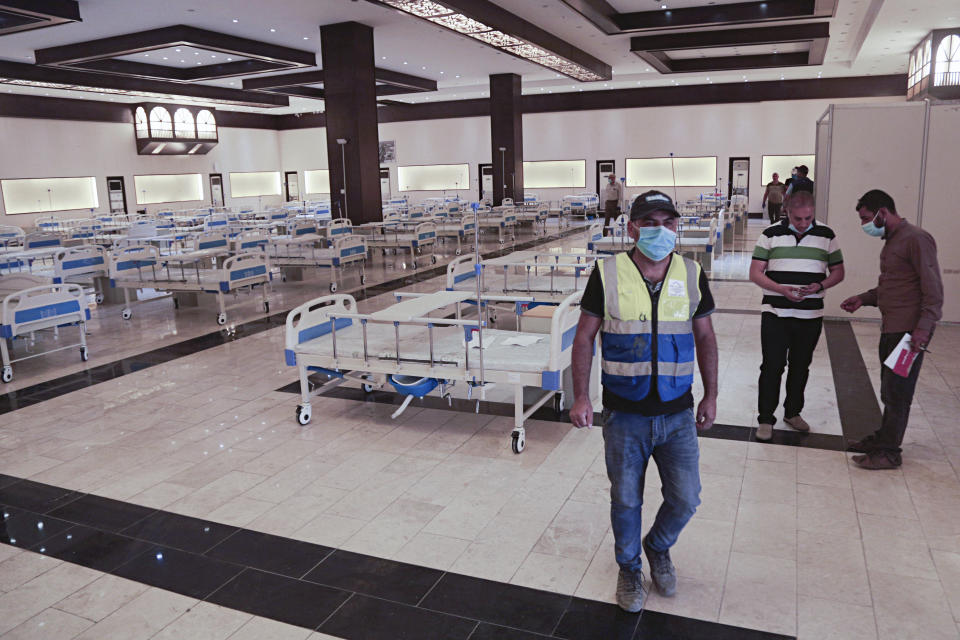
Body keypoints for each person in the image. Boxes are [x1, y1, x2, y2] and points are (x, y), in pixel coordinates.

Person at [570, 190, 718, 613]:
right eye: (650, 223)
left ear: (677, 227)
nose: (660, 230)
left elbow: (705, 337)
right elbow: (584, 336)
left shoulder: (691, 273)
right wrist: (581, 396)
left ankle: (658, 546)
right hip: (624, 413)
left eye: (667, 223)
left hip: (677, 411)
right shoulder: (608, 272)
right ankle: (629, 567)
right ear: (632, 228)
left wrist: (711, 393)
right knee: (626, 499)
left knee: (686, 497)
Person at [841, 189, 943, 469]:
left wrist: (922, 330)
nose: (865, 225)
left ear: (882, 212)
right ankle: (882, 439)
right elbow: (893, 286)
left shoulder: (916, 239)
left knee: (899, 392)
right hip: (893, 328)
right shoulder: (894, 241)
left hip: (908, 333)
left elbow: (933, 291)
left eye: (866, 218)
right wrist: (863, 299)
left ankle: (889, 452)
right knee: (890, 389)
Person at [749, 191, 845, 441]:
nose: (803, 223)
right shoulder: (770, 234)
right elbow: (756, 273)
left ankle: (793, 412)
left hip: (810, 315)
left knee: (801, 366)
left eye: (808, 218)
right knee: (772, 366)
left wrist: (820, 286)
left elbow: (838, 271)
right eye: (797, 218)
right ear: (787, 212)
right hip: (775, 312)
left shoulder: (826, 235)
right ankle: (765, 418)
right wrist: (781, 289)